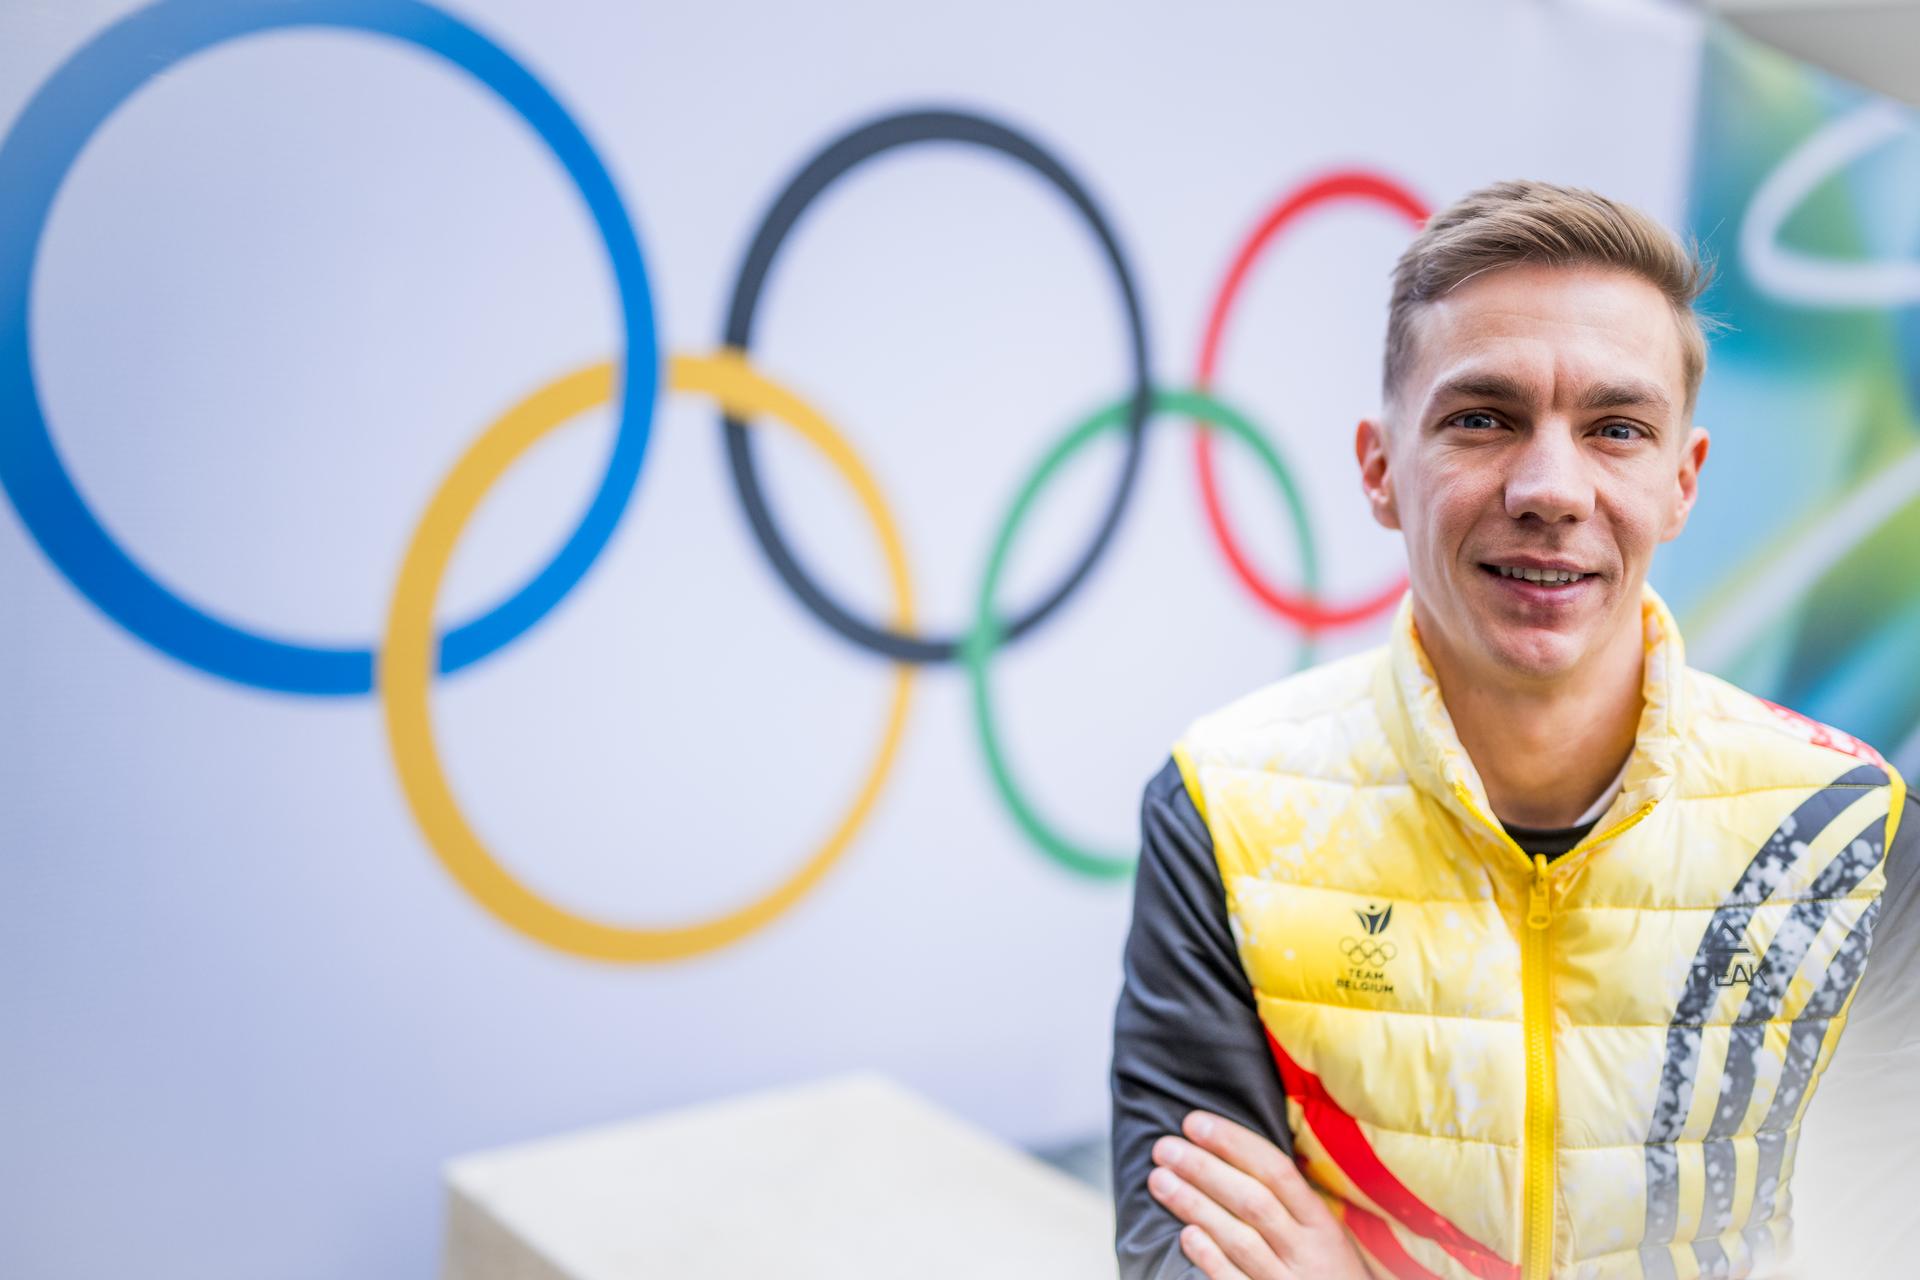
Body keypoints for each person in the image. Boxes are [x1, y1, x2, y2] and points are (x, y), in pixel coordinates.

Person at [1109, 180, 1920, 1280]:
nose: (1550, 487)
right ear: (1381, 467)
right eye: (1482, 418)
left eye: (1616, 428)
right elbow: (1187, 1253)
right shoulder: (1226, 807)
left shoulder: (1853, 837)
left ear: (1681, 482)